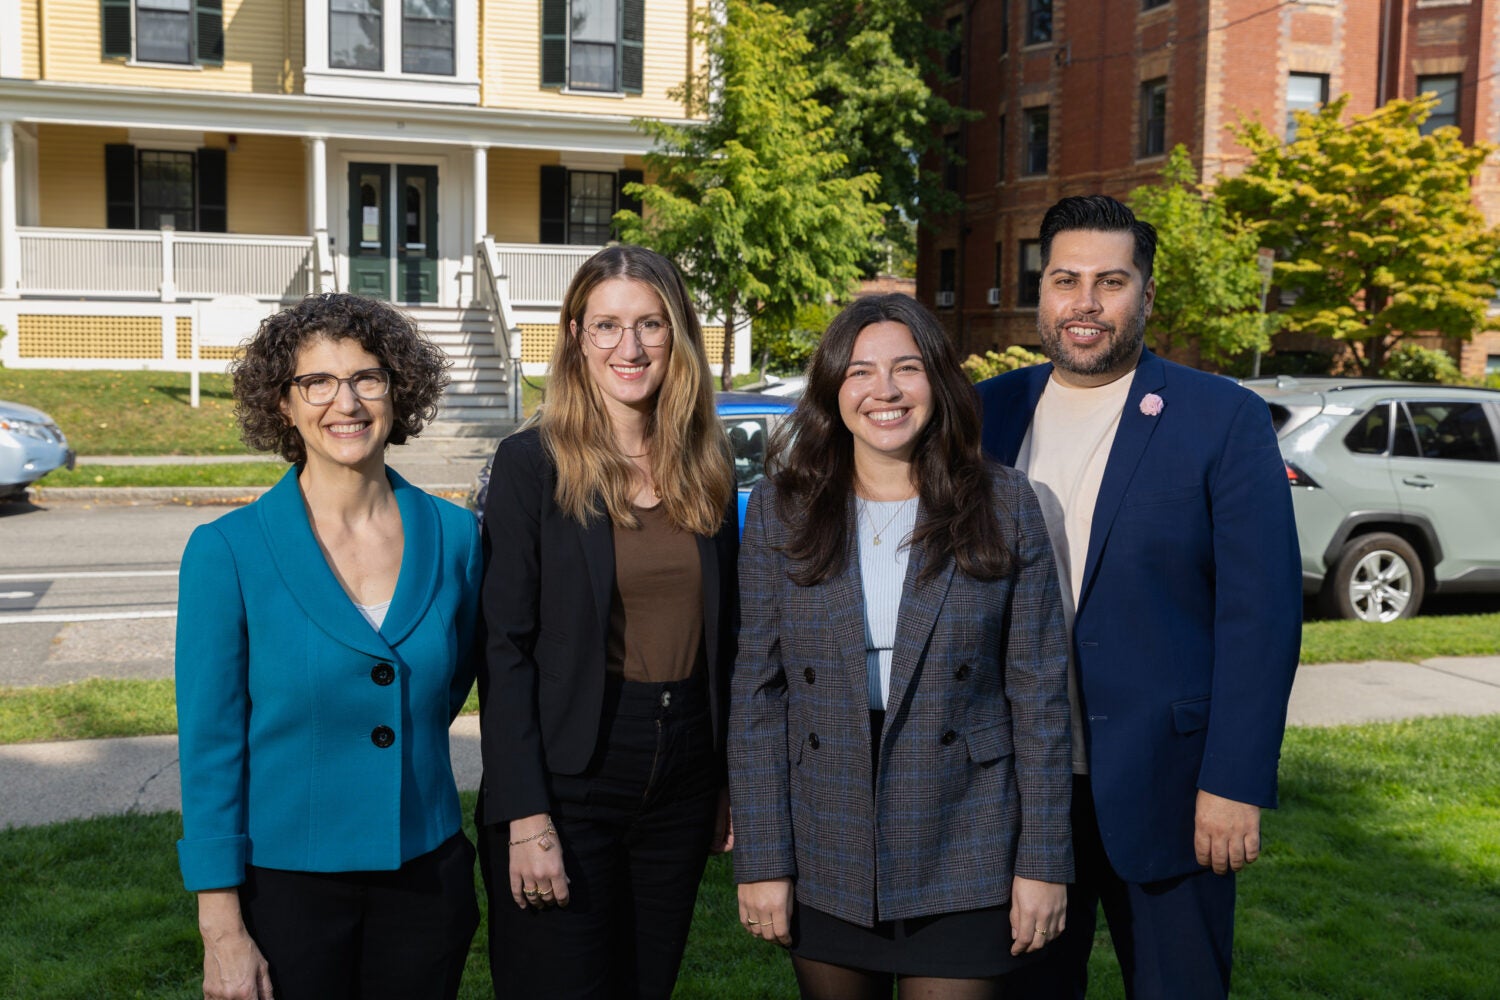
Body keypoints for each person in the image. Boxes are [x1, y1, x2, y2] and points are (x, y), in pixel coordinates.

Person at [976, 195, 1302, 999]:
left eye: (1109, 281)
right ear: (1040, 291)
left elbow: (1261, 617)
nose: (1084, 303)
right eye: (1064, 279)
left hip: (1172, 790)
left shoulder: (1221, 417)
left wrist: (1235, 781)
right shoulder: (985, 413)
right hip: (1019, 792)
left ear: (1146, 296)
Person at [731, 293, 1074, 1000]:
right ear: (832, 389)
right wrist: (763, 861)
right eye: (859, 371)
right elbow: (758, 694)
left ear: (939, 382)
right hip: (827, 827)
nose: (883, 391)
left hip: (967, 834)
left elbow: (1039, 698)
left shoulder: (1007, 505)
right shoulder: (781, 508)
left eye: (906, 368)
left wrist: (1044, 862)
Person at [175, 293, 483, 1000]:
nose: (345, 402)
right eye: (316, 382)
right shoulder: (227, 551)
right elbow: (211, 746)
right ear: (283, 405)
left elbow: (447, 686)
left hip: (426, 879)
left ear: (397, 391)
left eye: (367, 378)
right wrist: (222, 928)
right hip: (286, 894)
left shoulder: (456, 536)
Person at [476, 244, 738, 999]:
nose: (630, 348)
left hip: (683, 775)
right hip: (569, 776)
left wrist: (723, 780)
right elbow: (505, 651)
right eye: (608, 326)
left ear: (679, 334)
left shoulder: (707, 463)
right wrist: (526, 815)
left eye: (652, 325)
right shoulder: (532, 464)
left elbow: (728, 636)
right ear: (575, 334)